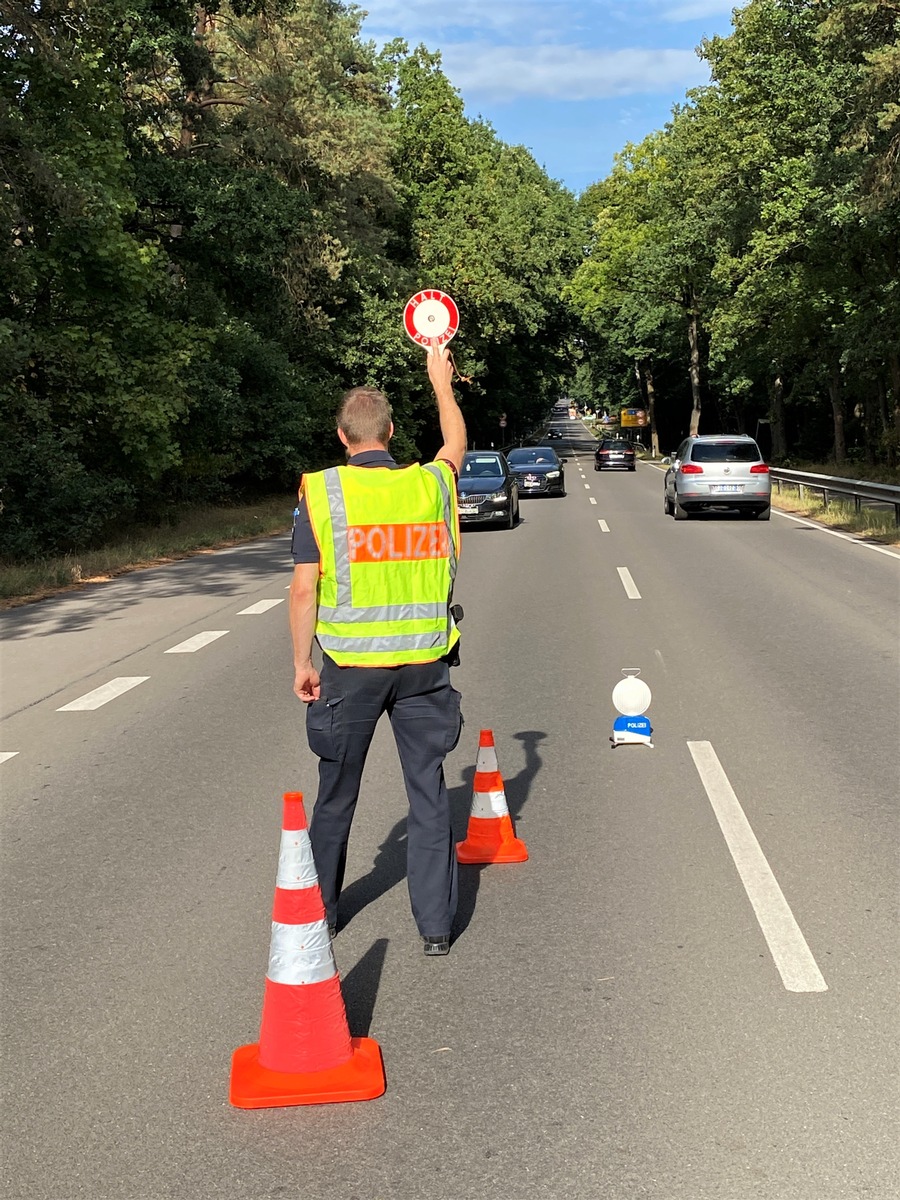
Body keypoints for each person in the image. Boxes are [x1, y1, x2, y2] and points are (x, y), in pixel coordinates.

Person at [288, 342, 466, 957]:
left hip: (349, 672)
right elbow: (454, 448)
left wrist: (301, 662)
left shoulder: (323, 492)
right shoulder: (426, 486)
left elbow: (305, 586)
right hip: (423, 667)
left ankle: (321, 920)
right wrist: (440, 383)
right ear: (391, 432)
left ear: (343, 437)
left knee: (336, 795)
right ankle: (436, 928)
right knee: (427, 791)